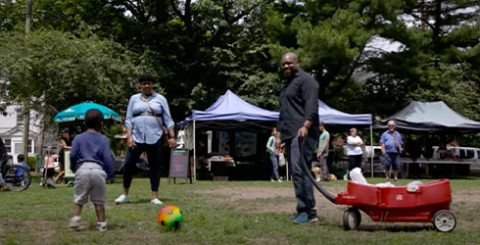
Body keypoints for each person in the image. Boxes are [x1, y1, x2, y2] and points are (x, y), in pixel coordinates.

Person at [115, 74, 176, 205]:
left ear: (152, 85)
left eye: (149, 83)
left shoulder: (160, 99)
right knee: (128, 164)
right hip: (136, 136)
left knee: (155, 166)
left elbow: (168, 119)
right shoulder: (134, 99)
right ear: (139, 86)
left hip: (155, 136)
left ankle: (154, 196)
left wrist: (172, 136)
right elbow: (129, 119)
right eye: (144, 83)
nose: (147, 85)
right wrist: (129, 137)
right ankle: (125, 193)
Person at [276, 52, 319, 224]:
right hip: (290, 133)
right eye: (284, 64)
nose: (286, 66)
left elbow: (312, 106)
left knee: (302, 171)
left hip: (303, 133)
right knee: (297, 172)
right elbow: (284, 113)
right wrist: (279, 135)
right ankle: (302, 209)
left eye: (290, 63)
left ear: (298, 63)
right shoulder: (287, 85)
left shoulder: (307, 80)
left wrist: (306, 126)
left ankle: (309, 212)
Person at [68, 109, 114, 232]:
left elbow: (72, 155)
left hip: (82, 169)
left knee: (79, 198)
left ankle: (76, 220)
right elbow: (107, 158)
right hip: (98, 170)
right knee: (99, 200)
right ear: (101, 124)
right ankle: (101, 224)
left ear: (84, 123)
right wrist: (110, 175)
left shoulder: (78, 138)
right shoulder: (104, 139)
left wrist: (73, 168)